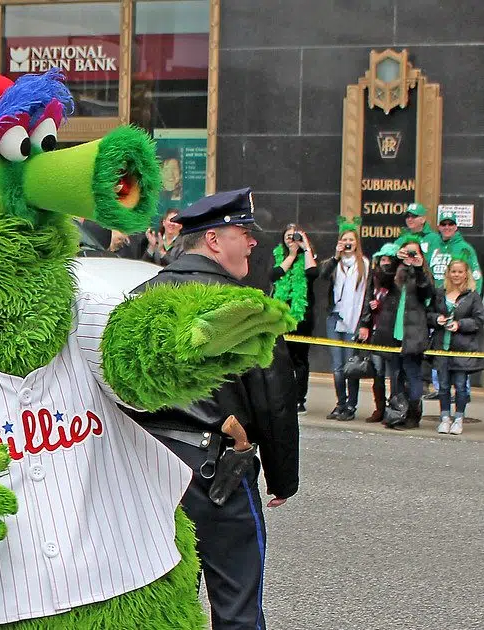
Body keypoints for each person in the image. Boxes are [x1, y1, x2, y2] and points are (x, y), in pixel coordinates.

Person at [128, 187, 299, 630]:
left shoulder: (138, 299)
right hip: (216, 472)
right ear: (214, 241)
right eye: (244, 232)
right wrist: (283, 477)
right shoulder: (245, 309)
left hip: (146, 470)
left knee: (160, 607)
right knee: (237, 605)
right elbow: (275, 402)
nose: (254, 242)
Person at [369, 236, 434, 430]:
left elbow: (426, 292)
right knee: (395, 375)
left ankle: (414, 414)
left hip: (413, 332)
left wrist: (419, 267)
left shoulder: (423, 275)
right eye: (408, 252)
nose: (411, 256)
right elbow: (382, 280)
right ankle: (397, 413)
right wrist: (397, 260)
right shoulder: (396, 272)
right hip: (393, 331)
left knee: (413, 375)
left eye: (415, 253)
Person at [424, 208, 482, 400]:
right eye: (444, 224)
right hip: (439, 301)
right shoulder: (433, 245)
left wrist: (471, 302)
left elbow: (476, 277)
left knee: (458, 350)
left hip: (461, 305)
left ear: (456, 227)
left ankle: (462, 392)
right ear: (439, 226)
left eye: (451, 224)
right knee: (439, 347)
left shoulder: (465, 248)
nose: (447, 227)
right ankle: (440, 388)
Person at [319, 216, 370, 420]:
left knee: (351, 366)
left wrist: (364, 322)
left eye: (351, 240)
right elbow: (322, 275)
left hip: (354, 318)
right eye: (344, 240)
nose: (348, 243)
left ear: (357, 243)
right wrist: (335, 256)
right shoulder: (335, 263)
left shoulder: (364, 264)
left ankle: (351, 405)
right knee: (337, 366)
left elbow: (367, 295)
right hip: (334, 317)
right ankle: (340, 403)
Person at [428, 259, 484, 435]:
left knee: (460, 386)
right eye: (453, 271)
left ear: (466, 274)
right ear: (448, 273)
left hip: (462, 348)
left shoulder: (472, 296)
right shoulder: (440, 293)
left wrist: (460, 325)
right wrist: (437, 319)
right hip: (441, 347)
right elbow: (428, 314)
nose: (456, 275)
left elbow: (479, 320)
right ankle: (445, 418)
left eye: (460, 272)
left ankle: (459, 418)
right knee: (443, 386)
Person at [270, 223, 318, 414]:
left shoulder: (307, 257)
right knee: (281, 358)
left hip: (302, 318)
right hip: (281, 317)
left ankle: (299, 398)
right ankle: (282, 394)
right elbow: (274, 275)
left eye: (295, 236)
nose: (292, 240)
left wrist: (306, 248)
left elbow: (313, 273)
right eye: (288, 236)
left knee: (300, 360)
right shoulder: (279, 256)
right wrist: (290, 255)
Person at [358, 243, 399, 423]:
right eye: (382, 259)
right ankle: (380, 408)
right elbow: (367, 299)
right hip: (375, 332)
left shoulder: (398, 279)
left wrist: (380, 305)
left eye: (389, 260)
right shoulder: (373, 277)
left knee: (396, 375)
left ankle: (395, 409)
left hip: (391, 332)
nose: (385, 264)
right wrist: (365, 322)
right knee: (378, 373)